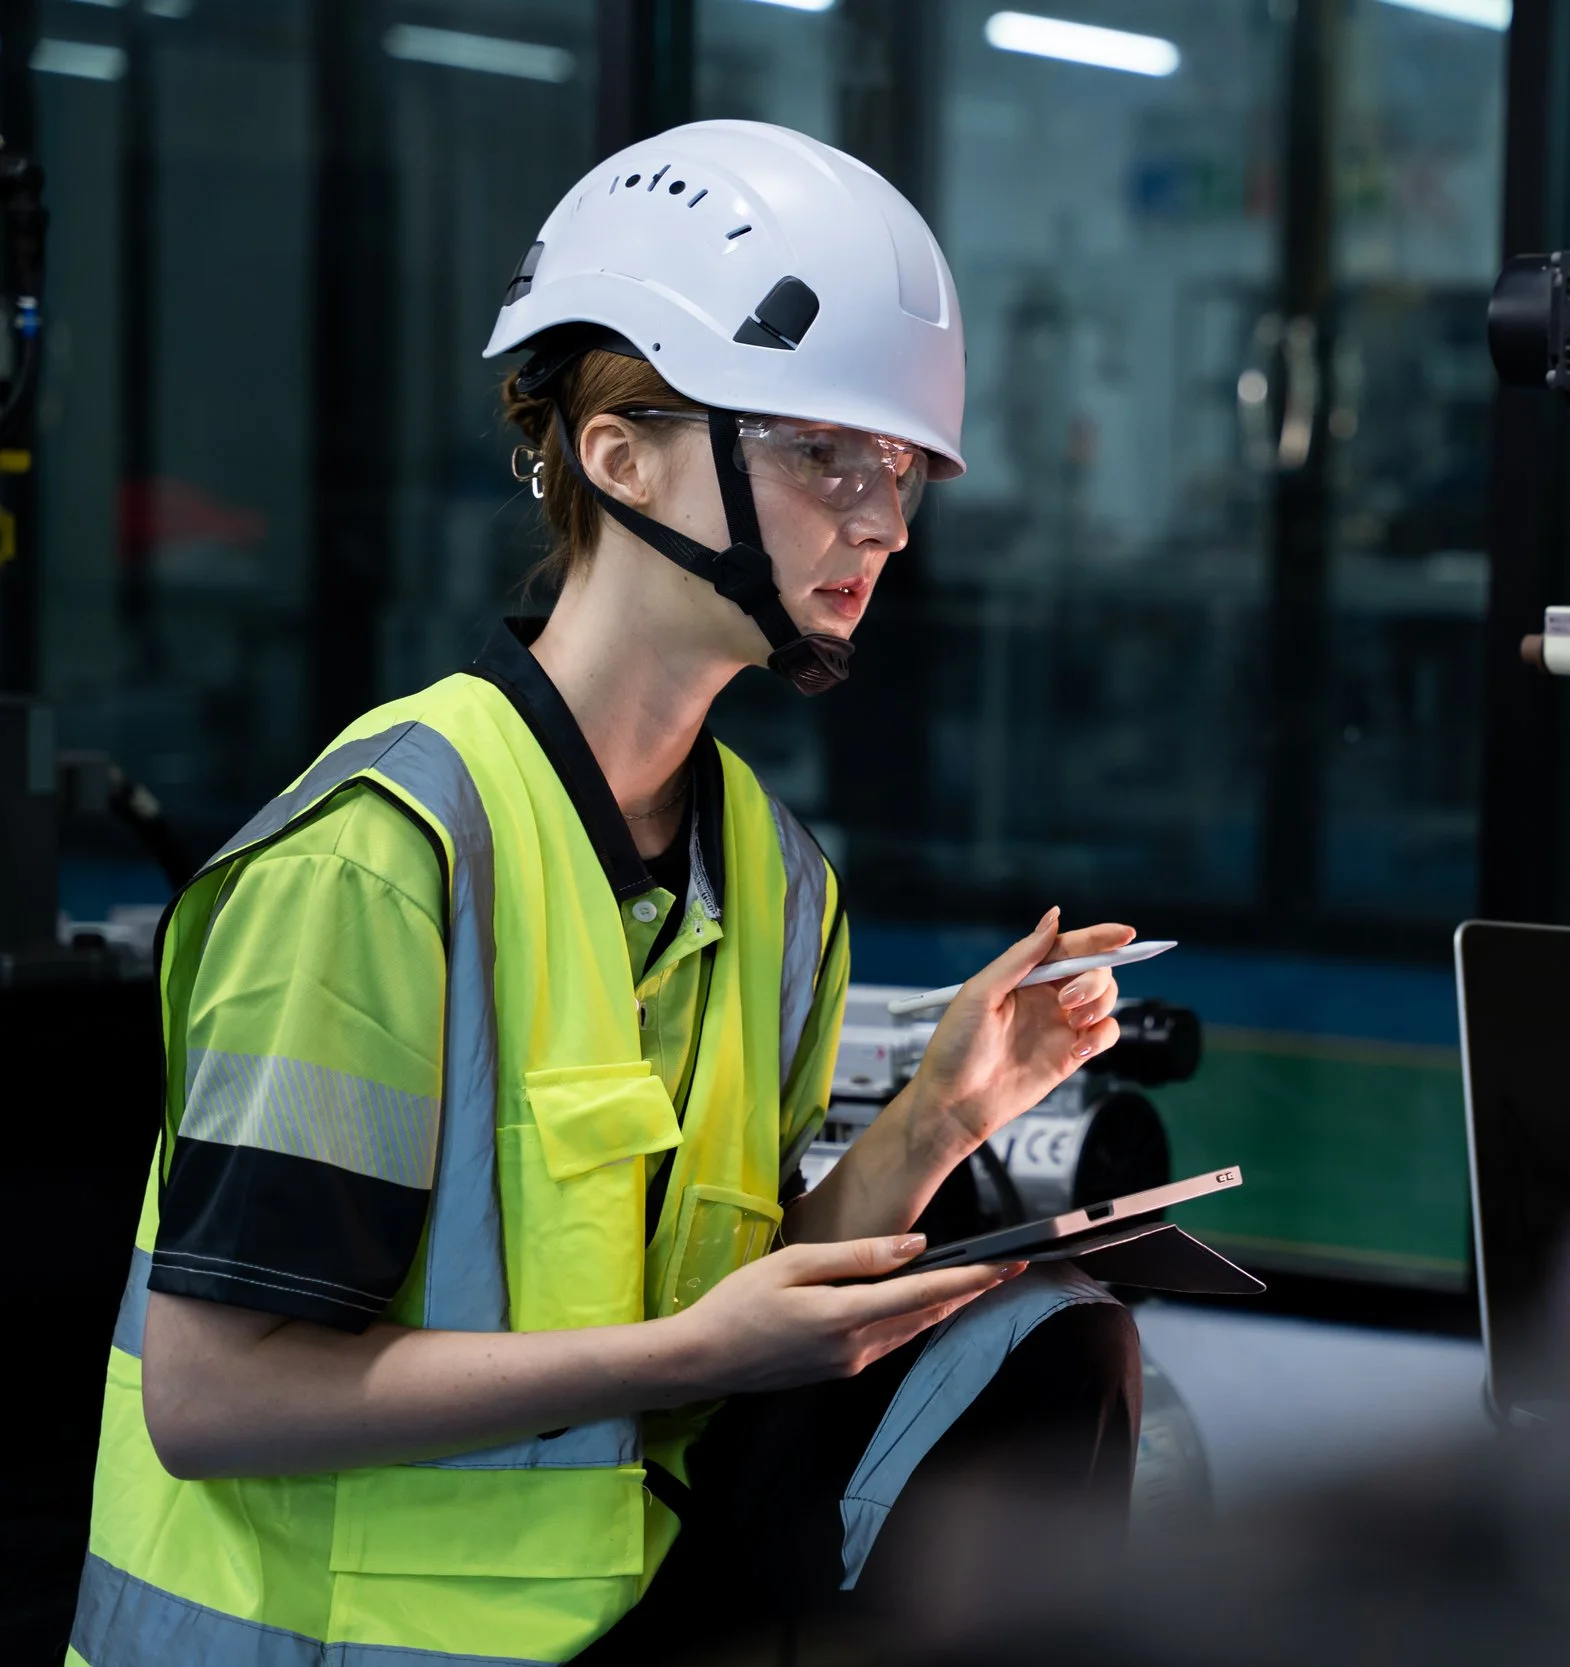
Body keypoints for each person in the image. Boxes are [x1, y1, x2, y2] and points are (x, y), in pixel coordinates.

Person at [73, 121, 1142, 1666]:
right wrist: (685, 1351)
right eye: (823, 451)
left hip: (603, 1623)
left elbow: (724, 1306)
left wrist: (942, 1116)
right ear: (618, 454)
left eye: (900, 466)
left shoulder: (772, 875)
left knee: (1051, 1348)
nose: (884, 520)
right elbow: (213, 1393)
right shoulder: (382, 857)